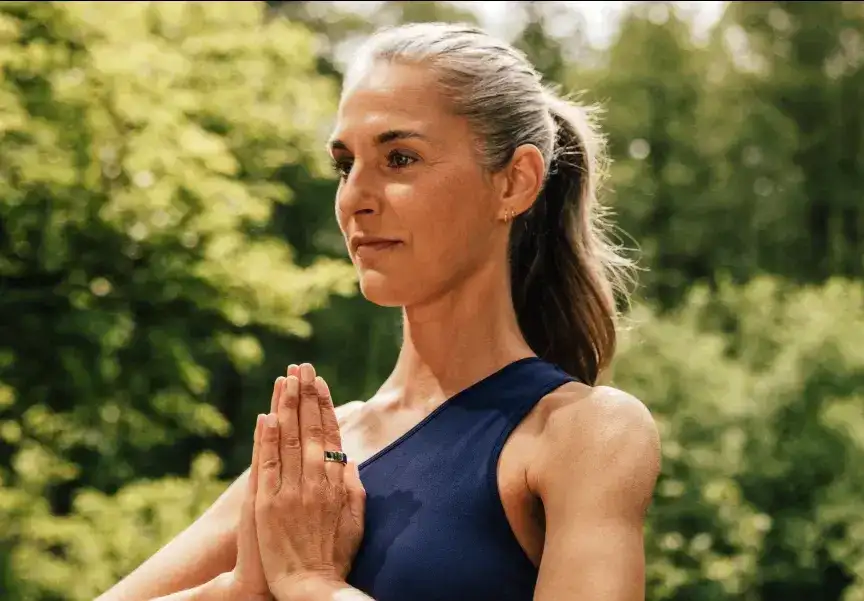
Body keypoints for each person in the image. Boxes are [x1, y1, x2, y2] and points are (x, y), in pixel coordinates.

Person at [96, 21, 661, 601]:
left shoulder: (584, 433)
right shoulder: (312, 456)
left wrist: (312, 585)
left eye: (399, 158)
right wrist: (243, 591)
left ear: (514, 183)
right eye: (345, 164)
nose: (355, 198)